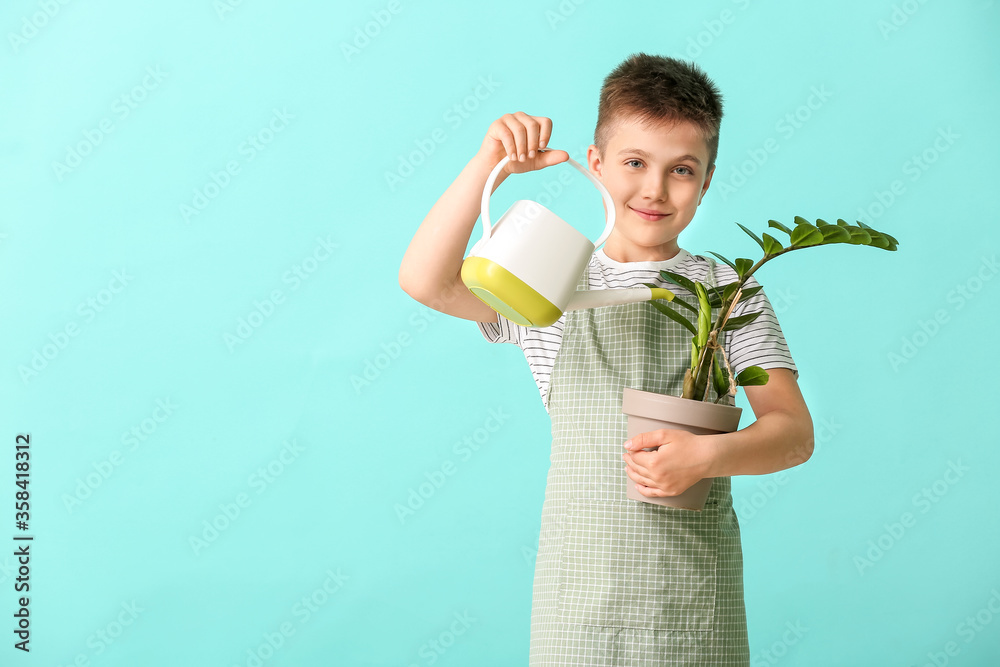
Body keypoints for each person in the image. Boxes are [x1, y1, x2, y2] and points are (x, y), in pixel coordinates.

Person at [399, 52, 814, 666]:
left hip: (696, 605)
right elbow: (426, 281)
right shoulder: (549, 280)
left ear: (707, 179)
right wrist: (491, 164)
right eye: (634, 162)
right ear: (595, 164)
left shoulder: (731, 291)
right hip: (580, 608)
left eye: (681, 169)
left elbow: (793, 433)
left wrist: (707, 454)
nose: (654, 188)